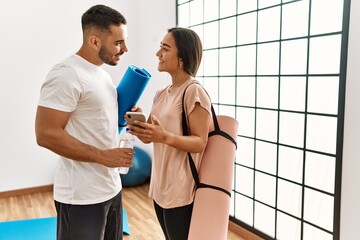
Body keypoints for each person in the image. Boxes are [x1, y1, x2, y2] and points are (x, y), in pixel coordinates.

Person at [35, 4, 133, 240]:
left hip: (111, 188)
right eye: (118, 43)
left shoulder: (103, 75)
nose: (125, 49)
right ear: (94, 41)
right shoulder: (66, 74)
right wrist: (102, 156)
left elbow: (100, 122)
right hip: (81, 197)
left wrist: (128, 115)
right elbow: (45, 134)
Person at [127, 27, 213, 240]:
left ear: (182, 58)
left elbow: (200, 142)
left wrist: (163, 136)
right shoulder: (162, 93)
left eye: (165, 49)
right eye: (160, 47)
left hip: (181, 189)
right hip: (160, 186)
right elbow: (153, 134)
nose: (158, 54)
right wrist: (142, 126)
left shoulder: (194, 91)